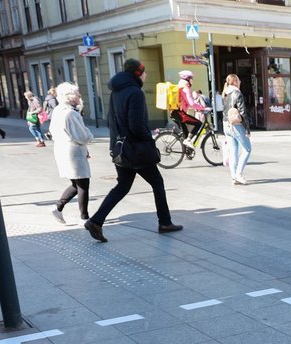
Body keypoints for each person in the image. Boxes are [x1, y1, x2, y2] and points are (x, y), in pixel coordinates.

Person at [84, 59, 182, 242]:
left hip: (121, 148)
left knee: (122, 186)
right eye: (144, 72)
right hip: (136, 149)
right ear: (138, 73)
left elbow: (111, 121)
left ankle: (96, 221)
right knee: (157, 183)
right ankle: (165, 222)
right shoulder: (135, 92)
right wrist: (148, 139)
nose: (146, 75)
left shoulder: (116, 91)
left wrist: (115, 144)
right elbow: (136, 125)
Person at [49, 82, 94, 224]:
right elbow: (82, 135)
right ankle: (84, 217)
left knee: (76, 183)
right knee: (83, 183)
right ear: (68, 96)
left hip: (63, 149)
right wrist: (89, 136)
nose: (79, 96)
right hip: (73, 152)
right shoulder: (70, 113)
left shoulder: (58, 110)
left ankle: (58, 207)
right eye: (76, 94)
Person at [222, 73, 251, 185]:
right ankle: (238, 174)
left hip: (226, 124)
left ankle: (233, 177)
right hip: (236, 125)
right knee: (247, 149)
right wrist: (247, 129)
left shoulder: (225, 93)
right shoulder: (237, 93)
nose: (240, 82)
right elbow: (242, 112)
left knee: (233, 151)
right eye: (238, 80)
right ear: (234, 82)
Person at [172, 70, 205, 148]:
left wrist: (197, 107)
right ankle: (188, 140)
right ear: (187, 79)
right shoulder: (186, 88)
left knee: (185, 134)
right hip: (179, 113)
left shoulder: (180, 86)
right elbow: (192, 103)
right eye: (191, 78)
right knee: (198, 123)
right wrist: (203, 107)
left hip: (175, 112)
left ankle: (186, 151)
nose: (192, 80)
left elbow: (186, 103)